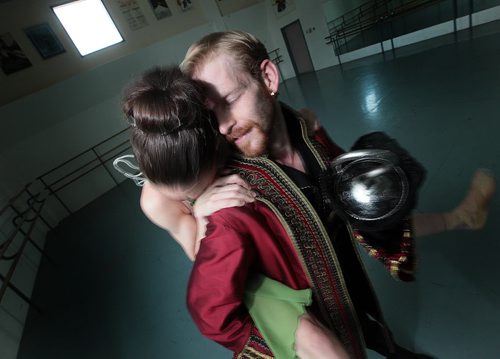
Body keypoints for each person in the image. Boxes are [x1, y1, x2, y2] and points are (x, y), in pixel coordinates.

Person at [176, 30, 496, 358]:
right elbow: (212, 314)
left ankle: (462, 216)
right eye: (212, 114)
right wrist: (294, 340)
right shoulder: (231, 199)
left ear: (268, 77)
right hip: (314, 329)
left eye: (229, 101)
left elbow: (356, 214)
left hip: (347, 290)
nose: (224, 126)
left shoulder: (306, 132)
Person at [122, 65, 351, 359]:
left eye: (197, 187)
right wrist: (202, 213)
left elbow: (262, 119)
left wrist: (301, 122)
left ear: (215, 151)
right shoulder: (154, 202)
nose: (192, 196)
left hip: (266, 239)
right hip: (234, 272)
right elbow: (198, 255)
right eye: (184, 196)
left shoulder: (215, 134)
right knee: (321, 346)